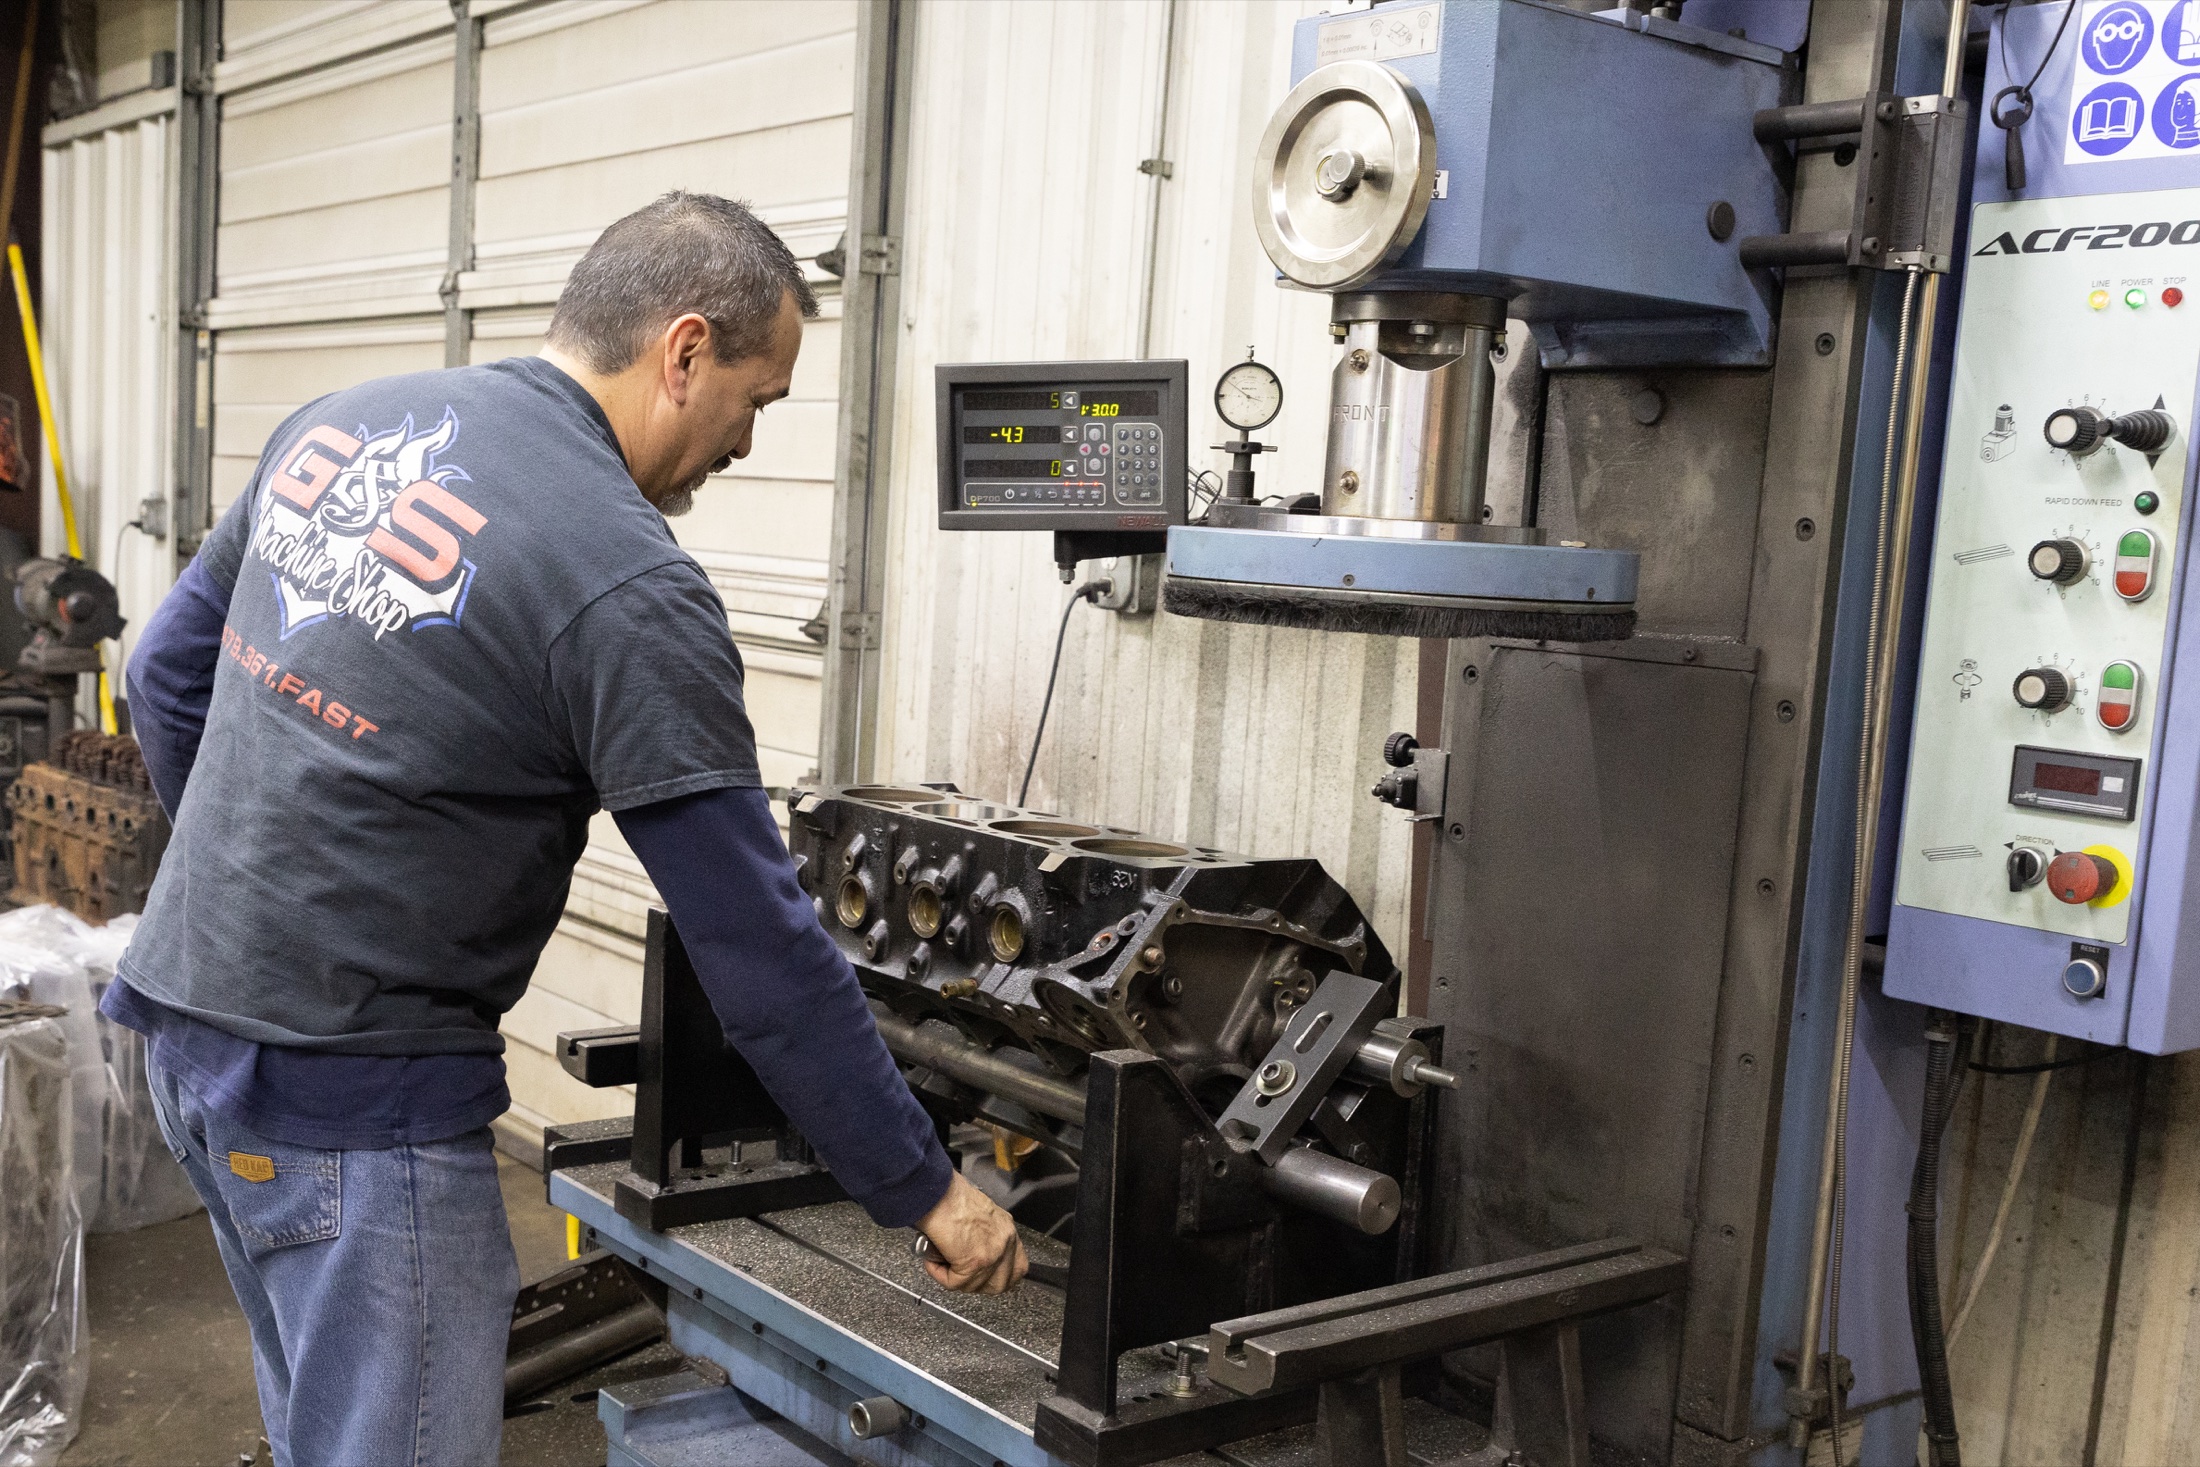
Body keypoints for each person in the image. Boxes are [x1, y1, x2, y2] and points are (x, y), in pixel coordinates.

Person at [105, 191, 1025, 1467]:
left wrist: (248, 889)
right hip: (359, 1107)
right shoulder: (627, 584)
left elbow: (162, 674)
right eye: (759, 401)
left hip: (189, 1039)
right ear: (685, 350)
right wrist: (924, 1189)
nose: (749, 445)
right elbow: (755, 955)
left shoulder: (349, 422)